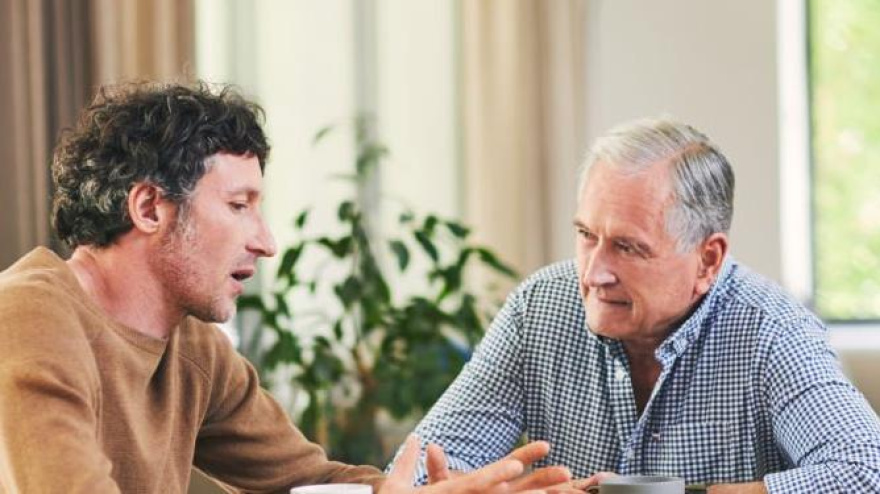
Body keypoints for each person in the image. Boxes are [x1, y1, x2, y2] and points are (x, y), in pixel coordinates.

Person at [0, 82, 574, 493]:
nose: (266, 242)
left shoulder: (194, 350)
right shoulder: (27, 317)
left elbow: (308, 481)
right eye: (238, 205)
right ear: (150, 207)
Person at [391, 118, 880, 493]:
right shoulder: (539, 307)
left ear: (708, 259)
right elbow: (417, 469)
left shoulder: (773, 329)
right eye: (587, 235)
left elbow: (865, 469)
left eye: (627, 247)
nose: (593, 273)